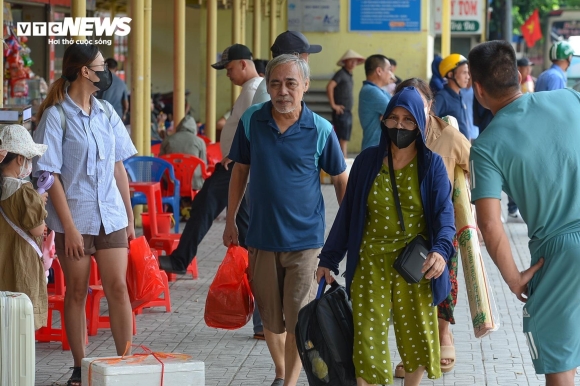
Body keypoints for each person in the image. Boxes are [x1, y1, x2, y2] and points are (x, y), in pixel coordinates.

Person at [317, 86, 455, 386]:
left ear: (420, 123)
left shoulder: (431, 165)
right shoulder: (367, 161)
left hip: (413, 266)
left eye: (408, 120)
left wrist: (441, 251)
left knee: (417, 338)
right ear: (384, 120)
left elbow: (445, 216)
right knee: (366, 340)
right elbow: (348, 213)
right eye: (393, 118)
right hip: (370, 262)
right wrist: (328, 258)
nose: (400, 126)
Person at [224, 54, 348, 386]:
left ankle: (289, 382)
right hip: (261, 238)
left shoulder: (321, 129)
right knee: (270, 322)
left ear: (305, 86)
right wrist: (230, 220)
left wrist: (345, 233)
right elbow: (240, 170)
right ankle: (282, 370)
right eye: (275, 84)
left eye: (291, 83)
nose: (282, 91)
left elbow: (339, 178)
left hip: (306, 242)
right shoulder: (253, 120)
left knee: (298, 321)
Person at [468, 40, 580, 385]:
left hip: (560, 253)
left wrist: (513, 277)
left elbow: (489, 223)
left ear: (477, 89)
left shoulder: (485, 147)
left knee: (559, 360)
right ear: (517, 75)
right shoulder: (569, 98)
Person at [33, 43, 137, 386]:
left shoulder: (107, 112)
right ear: (84, 72)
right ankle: (81, 366)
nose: (106, 71)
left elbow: (118, 165)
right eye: (100, 66)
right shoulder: (56, 116)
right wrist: (70, 227)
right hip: (74, 219)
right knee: (77, 291)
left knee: (119, 288)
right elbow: (50, 176)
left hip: (111, 215)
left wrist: (129, 215)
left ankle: (123, 363)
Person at [393, 78, 472, 378]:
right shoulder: (394, 132)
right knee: (407, 293)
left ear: (429, 104)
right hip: (402, 229)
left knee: (442, 284)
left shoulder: (448, 135)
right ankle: (413, 355)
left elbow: (474, 164)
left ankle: (443, 336)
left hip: (440, 226)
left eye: (421, 100)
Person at [0, 124, 48, 330]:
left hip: (3, 258)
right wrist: (39, 203)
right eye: (28, 159)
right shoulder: (25, 191)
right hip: (21, 261)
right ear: (20, 159)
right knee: (21, 322)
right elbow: (37, 229)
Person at [252, 30, 322, 105]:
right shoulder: (266, 95)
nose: (283, 92)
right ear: (295, 57)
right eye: (307, 54)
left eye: (291, 84)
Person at [327, 49, 365, 157]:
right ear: (345, 62)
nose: (353, 64)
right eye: (350, 61)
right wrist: (334, 105)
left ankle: (342, 161)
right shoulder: (341, 74)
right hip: (341, 111)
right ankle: (343, 162)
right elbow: (329, 87)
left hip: (346, 111)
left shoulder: (348, 74)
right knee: (342, 139)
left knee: (344, 138)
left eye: (355, 61)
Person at [159, 115, 207, 190]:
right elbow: (204, 165)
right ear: (194, 128)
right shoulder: (200, 142)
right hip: (194, 184)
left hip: (171, 182)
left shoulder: (167, 140)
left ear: (179, 126)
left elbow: (160, 163)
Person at [359, 54, 393, 150]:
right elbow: (396, 112)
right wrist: (390, 115)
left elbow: (395, 112)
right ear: (379, 71)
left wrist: (388, 116)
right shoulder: (370, 91)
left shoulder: (379, 91)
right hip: (374, 149)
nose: (391, 74)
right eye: (389, 69)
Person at [434, 54, 471, 139]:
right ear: (450, 74)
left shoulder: (459, 95)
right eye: (464, 73)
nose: (468, 77)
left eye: (468, 73)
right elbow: (430, 124)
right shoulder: (442, 97)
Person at [96, 58, 129, 122]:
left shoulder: (98, 81)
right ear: (116, 69)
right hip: (117, 116)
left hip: (101, 116)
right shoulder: (122, 83)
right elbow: (126, 105)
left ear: (104, 67)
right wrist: (124, 114)